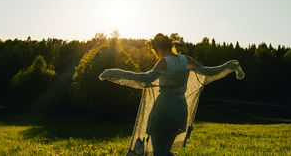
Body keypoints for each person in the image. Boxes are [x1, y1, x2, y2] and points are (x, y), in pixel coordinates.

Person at [99, 33, 245, 156]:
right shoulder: (185, 59)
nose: (155, 54)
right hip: (180, 112)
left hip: (162, 111)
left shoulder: (163, 62)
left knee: (159, 153)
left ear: (158, 48)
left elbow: (145, 79)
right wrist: (228, 66)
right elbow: (208, 72)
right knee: (164, 151)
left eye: (155, 50)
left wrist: (115, 73)